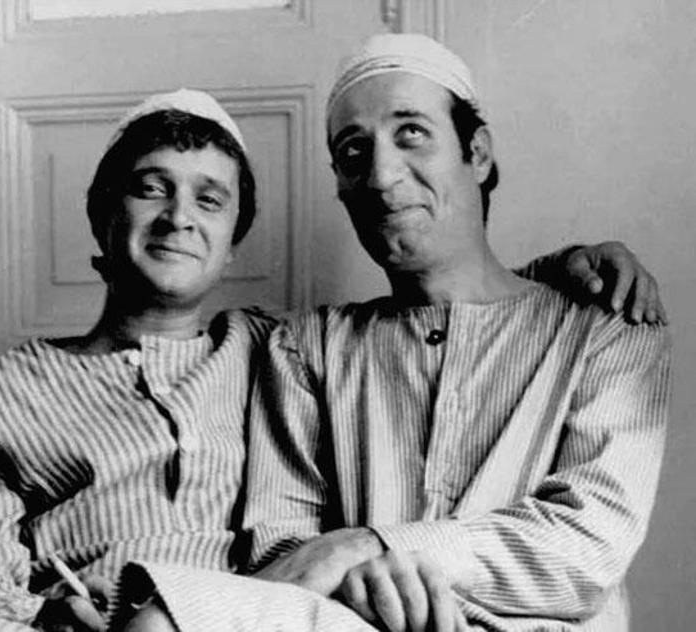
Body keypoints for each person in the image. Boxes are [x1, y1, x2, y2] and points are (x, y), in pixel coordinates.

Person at [0, 82, 664, 631]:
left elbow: (461, 307)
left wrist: (574, 267)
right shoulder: (1, 396)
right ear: (102, 215)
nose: (179, 217)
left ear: (232, 243)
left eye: (210, 201)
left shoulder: (270, 347)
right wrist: (36, 625)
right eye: (151, 190)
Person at [235, 34, 671, 631]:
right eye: (354, 151)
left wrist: (367, 544)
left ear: (479, 154)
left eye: (411, 132)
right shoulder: (305, 349)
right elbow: (286, 563)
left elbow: (588, 545)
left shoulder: (605, 325)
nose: (381, 176)